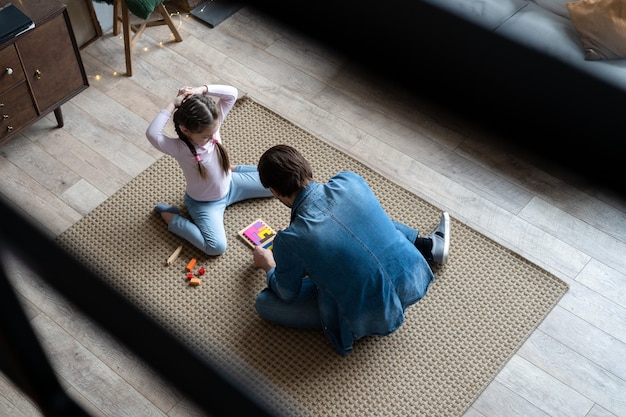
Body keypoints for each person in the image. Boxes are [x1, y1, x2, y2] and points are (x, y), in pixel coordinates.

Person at [251, 144, 450, 355]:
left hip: (368, 311)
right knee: (358, 215)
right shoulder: (349, 180)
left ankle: (354, 324)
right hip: (412, 276)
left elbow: (286, 293)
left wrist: (269, 265)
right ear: (307, 167)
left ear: (274, 191)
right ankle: (427, 246)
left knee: (264, 303)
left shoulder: (289, 240)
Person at [146, 84, 273, 256]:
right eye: (206, 136)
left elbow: (232, 94)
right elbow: (152, 134)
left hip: (231, 184)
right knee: (216, 247)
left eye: (213, 132)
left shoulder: (212, 127)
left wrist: (201, 90)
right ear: (186, 130)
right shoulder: (180, 148)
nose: (212, 137)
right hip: (205, 204)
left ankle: (232, 168)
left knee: (274, 184)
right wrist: (173, 104)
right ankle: (171, 218)